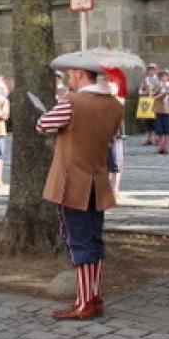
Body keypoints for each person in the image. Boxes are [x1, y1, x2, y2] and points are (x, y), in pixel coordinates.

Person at [38, 50, 127, 320]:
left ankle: (84, 302)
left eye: (69, 75)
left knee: (77, 241)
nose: (68, 80)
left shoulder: (72, 102)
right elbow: (109, 136)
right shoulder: (115, 105)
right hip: (97, 180)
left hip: (71, 182)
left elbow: (43, 124)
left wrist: (63, 107)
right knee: (94, 240)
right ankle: (94, 296)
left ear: (79, 73)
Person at [107, 81, 127, 200]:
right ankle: (107, 189)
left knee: (115, 162)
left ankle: (115, 189)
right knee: (105, 163)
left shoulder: (119, 100)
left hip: (116, 134)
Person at [151, 69, 169, 154]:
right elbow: (152, 96)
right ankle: (160, 147)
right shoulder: (157, 85)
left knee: (167, 130)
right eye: (162, 76)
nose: (164, 77)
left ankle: (166, 147)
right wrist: (161, 93)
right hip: (159, 109)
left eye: (165, 76)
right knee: (159, 130)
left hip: (168, 110)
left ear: (168, 77)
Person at [139, 63, 159, 145]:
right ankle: (148, 138)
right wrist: (144, 92)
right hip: (146, 101)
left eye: (153, 69)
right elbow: (140, 91)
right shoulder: (145, 79)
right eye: (150, 70)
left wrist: (154, 92)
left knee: (155, 120)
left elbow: (160, 90)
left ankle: (155, 138)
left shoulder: (158, 80)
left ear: (155, 70)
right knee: (147, 121)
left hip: (155, 101)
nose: (151, 71)